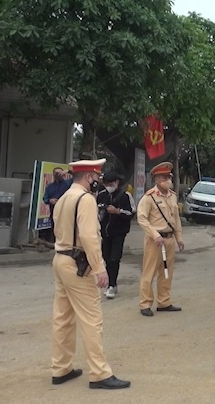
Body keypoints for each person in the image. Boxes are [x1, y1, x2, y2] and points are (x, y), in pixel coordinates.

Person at [50, 158, 130, 390]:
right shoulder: (85, 199)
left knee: (62, 317)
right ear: (88, 178)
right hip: (78, 264)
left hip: (61, 259)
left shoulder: (65, 197)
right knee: (92, 319)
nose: (99, 182)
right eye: (97, 177)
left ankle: (61, 368)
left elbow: (57, 229)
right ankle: (99, 373)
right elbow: (89, 237)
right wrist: (99, 267)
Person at [136, 162, 184, 317]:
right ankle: (145, 303)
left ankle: (164, 302)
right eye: (164, 177)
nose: (168, 179)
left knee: (166, 273)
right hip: (155, 241)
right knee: (149, 273)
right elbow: (142, 219)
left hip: (169, 239)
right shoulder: (149, 197)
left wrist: (179, 238)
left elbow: (175, 219)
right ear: (157, 179)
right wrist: (154, 235)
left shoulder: (172, 196)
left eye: (169, 176)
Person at [97, 171, 136, 299]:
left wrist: (118, 211)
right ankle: (109, 282)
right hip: (105, 233)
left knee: (115, 259)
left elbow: (132, 213)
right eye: (107, 183)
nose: (109, 185)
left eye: (111, 183)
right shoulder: (101, 195)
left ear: (117, 182)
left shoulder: (125, 196)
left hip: (119, 232)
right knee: (106, 258)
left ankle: (112, 285)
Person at [42, 167, 73, 243]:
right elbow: (45, 198)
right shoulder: (49, 186)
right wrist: (49, 200)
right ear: (53, 174)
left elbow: (78, 175)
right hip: (54, 212)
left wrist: (68, 171)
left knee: (66, 230)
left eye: (60, 173)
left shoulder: (68, 183)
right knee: (55, 230)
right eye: (56, 173)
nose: (58, 175)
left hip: (66, 212)